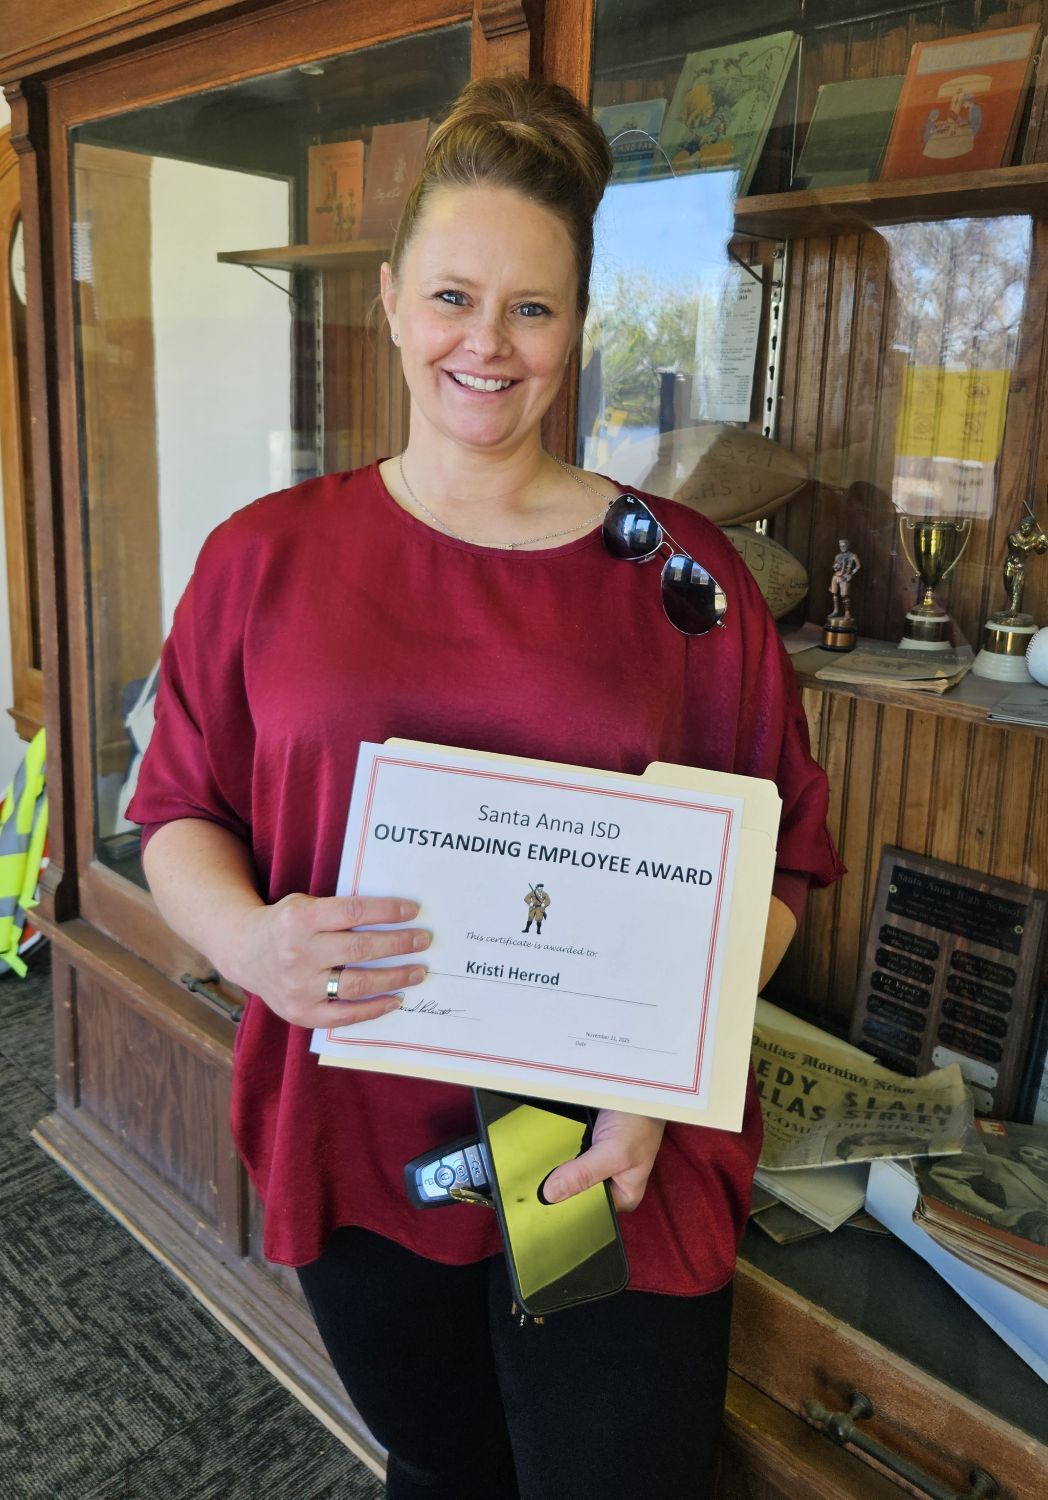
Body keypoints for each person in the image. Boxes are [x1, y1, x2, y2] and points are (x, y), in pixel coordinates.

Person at [128, 75, 843, 1500]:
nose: (488, 343)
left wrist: (658, 1065)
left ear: (578, 328)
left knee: (604, 1479)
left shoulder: (681, 578)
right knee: (445, 1468)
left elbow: (781, 857)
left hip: (592, 1139)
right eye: (454, 297)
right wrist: (252, 944)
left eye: (532, 308)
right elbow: (178, 812)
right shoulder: (266, 557)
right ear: (392, 303)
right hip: (363, 1123)